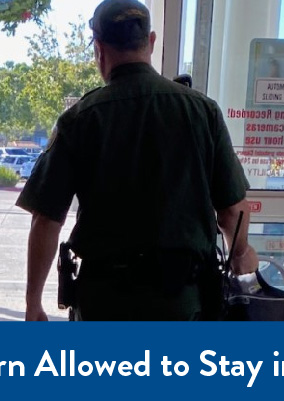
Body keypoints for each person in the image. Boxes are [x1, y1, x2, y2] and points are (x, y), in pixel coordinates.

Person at [17, 0, 259, 321]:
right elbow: (232, 211)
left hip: (104, 305)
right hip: (183, 305)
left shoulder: (81, 118)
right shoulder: (202, 111)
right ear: (151, 42)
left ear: (99, 49)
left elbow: (46, 219)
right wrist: (241, 252)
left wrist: (33, 302)